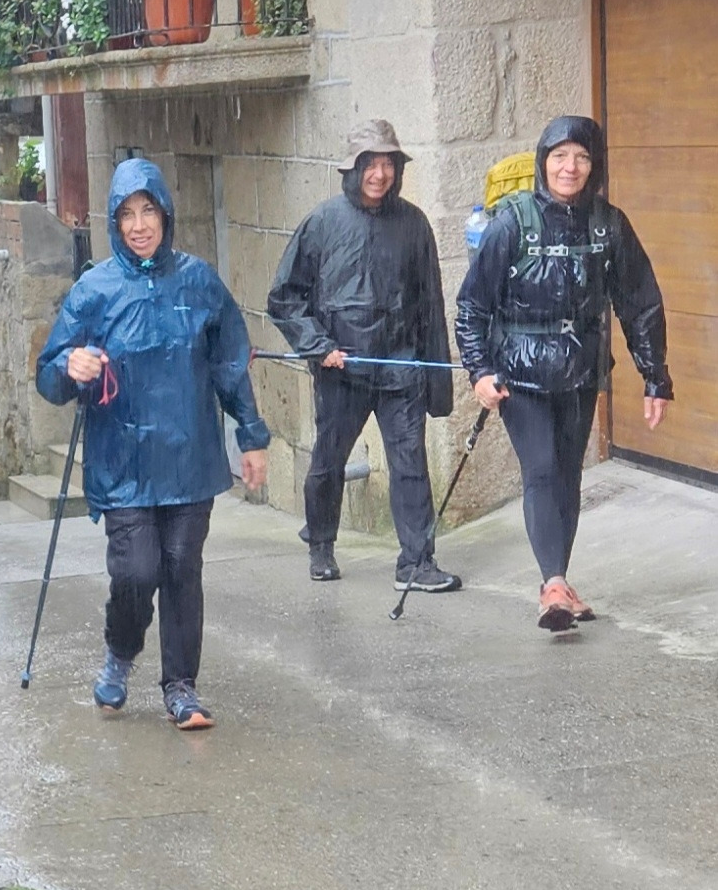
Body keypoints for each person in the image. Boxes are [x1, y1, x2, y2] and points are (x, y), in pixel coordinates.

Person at [36, 159, 270, 730]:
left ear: (165, 214)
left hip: (189, 457)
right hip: (123, 463)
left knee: (183, 568)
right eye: (126, 215)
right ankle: (120, 653)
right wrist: (70, 365)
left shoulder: (199, 282)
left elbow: (231, 364)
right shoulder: (93, 291)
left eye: (148, 211)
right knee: (137, 572)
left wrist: (252, 436)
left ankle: (181, 687)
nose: (139, 225)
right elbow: (49, 375)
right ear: (114, 223)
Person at [456, 114, 672, 630]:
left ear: (594, 165)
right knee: (542, 470)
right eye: (559, 156)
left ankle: (559, 582)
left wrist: (655, 376)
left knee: (569, 476)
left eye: (581, 157)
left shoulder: (608, 224)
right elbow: (472, 306)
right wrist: (479, 371)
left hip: (581, 371)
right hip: (520, 373)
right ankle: (552, 585)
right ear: (543, 161)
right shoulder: (512, 223)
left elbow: (639, 303)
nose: (569, 167)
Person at [267, 119, 460, 592]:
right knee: (328, 461)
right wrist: (319, 347)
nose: (379, 174)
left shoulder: (414, 224)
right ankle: (320, 543)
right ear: (352, 169)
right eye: (370, 164)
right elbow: (285, 298)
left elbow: (430, 304)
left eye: (387, 164)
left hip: (401, 367)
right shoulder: (322, 223)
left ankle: (416, 562)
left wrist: (436, 384)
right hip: (342, 369)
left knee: (410, 464)